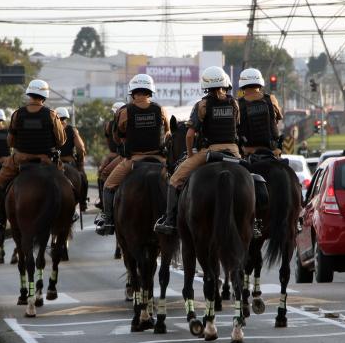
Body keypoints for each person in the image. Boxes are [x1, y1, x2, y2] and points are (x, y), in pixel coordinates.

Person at [154, 66, 240, 235]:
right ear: (225, 84)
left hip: (209, 152)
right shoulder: (234, 103)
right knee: (252, 178)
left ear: (206, 86)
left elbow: (189, 135)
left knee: (174, 180)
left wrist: (191, 154)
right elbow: (236, 127)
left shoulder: (202, 105)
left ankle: (170, 220)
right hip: (233, 152)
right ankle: (255, 222)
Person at [0, 79, 65, 230]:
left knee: (0, 182)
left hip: (20, 159)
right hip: (45, 160)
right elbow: (60, 141)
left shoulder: (17, 114)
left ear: (29, 94)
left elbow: (10, 142)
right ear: (44, 96)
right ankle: (68, 212)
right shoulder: (51, 115)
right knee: (65, 183)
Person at [95, 74, 169, 235]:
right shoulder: (160, 109)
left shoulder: (125, 111)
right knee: (178, 185)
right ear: (150, 92)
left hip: (133, 160)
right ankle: (174, 219)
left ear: (133, 92)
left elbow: (117, 136)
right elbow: (168, 133)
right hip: (159, 159)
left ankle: (108, 221)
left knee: (108, 186)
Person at [236, 67, 283, 156]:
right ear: (260, 84)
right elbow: (278, 118)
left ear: (242, 85)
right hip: (272, 151)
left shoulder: (237, 104)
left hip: (247, 152)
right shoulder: (271, 99)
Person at [95, 101, 126, 209]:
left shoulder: (109, 124)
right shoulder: (128, 119)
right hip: (125, 153)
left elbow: (113, 141)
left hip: (115, 154)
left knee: (102, 173)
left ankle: (103, 202)